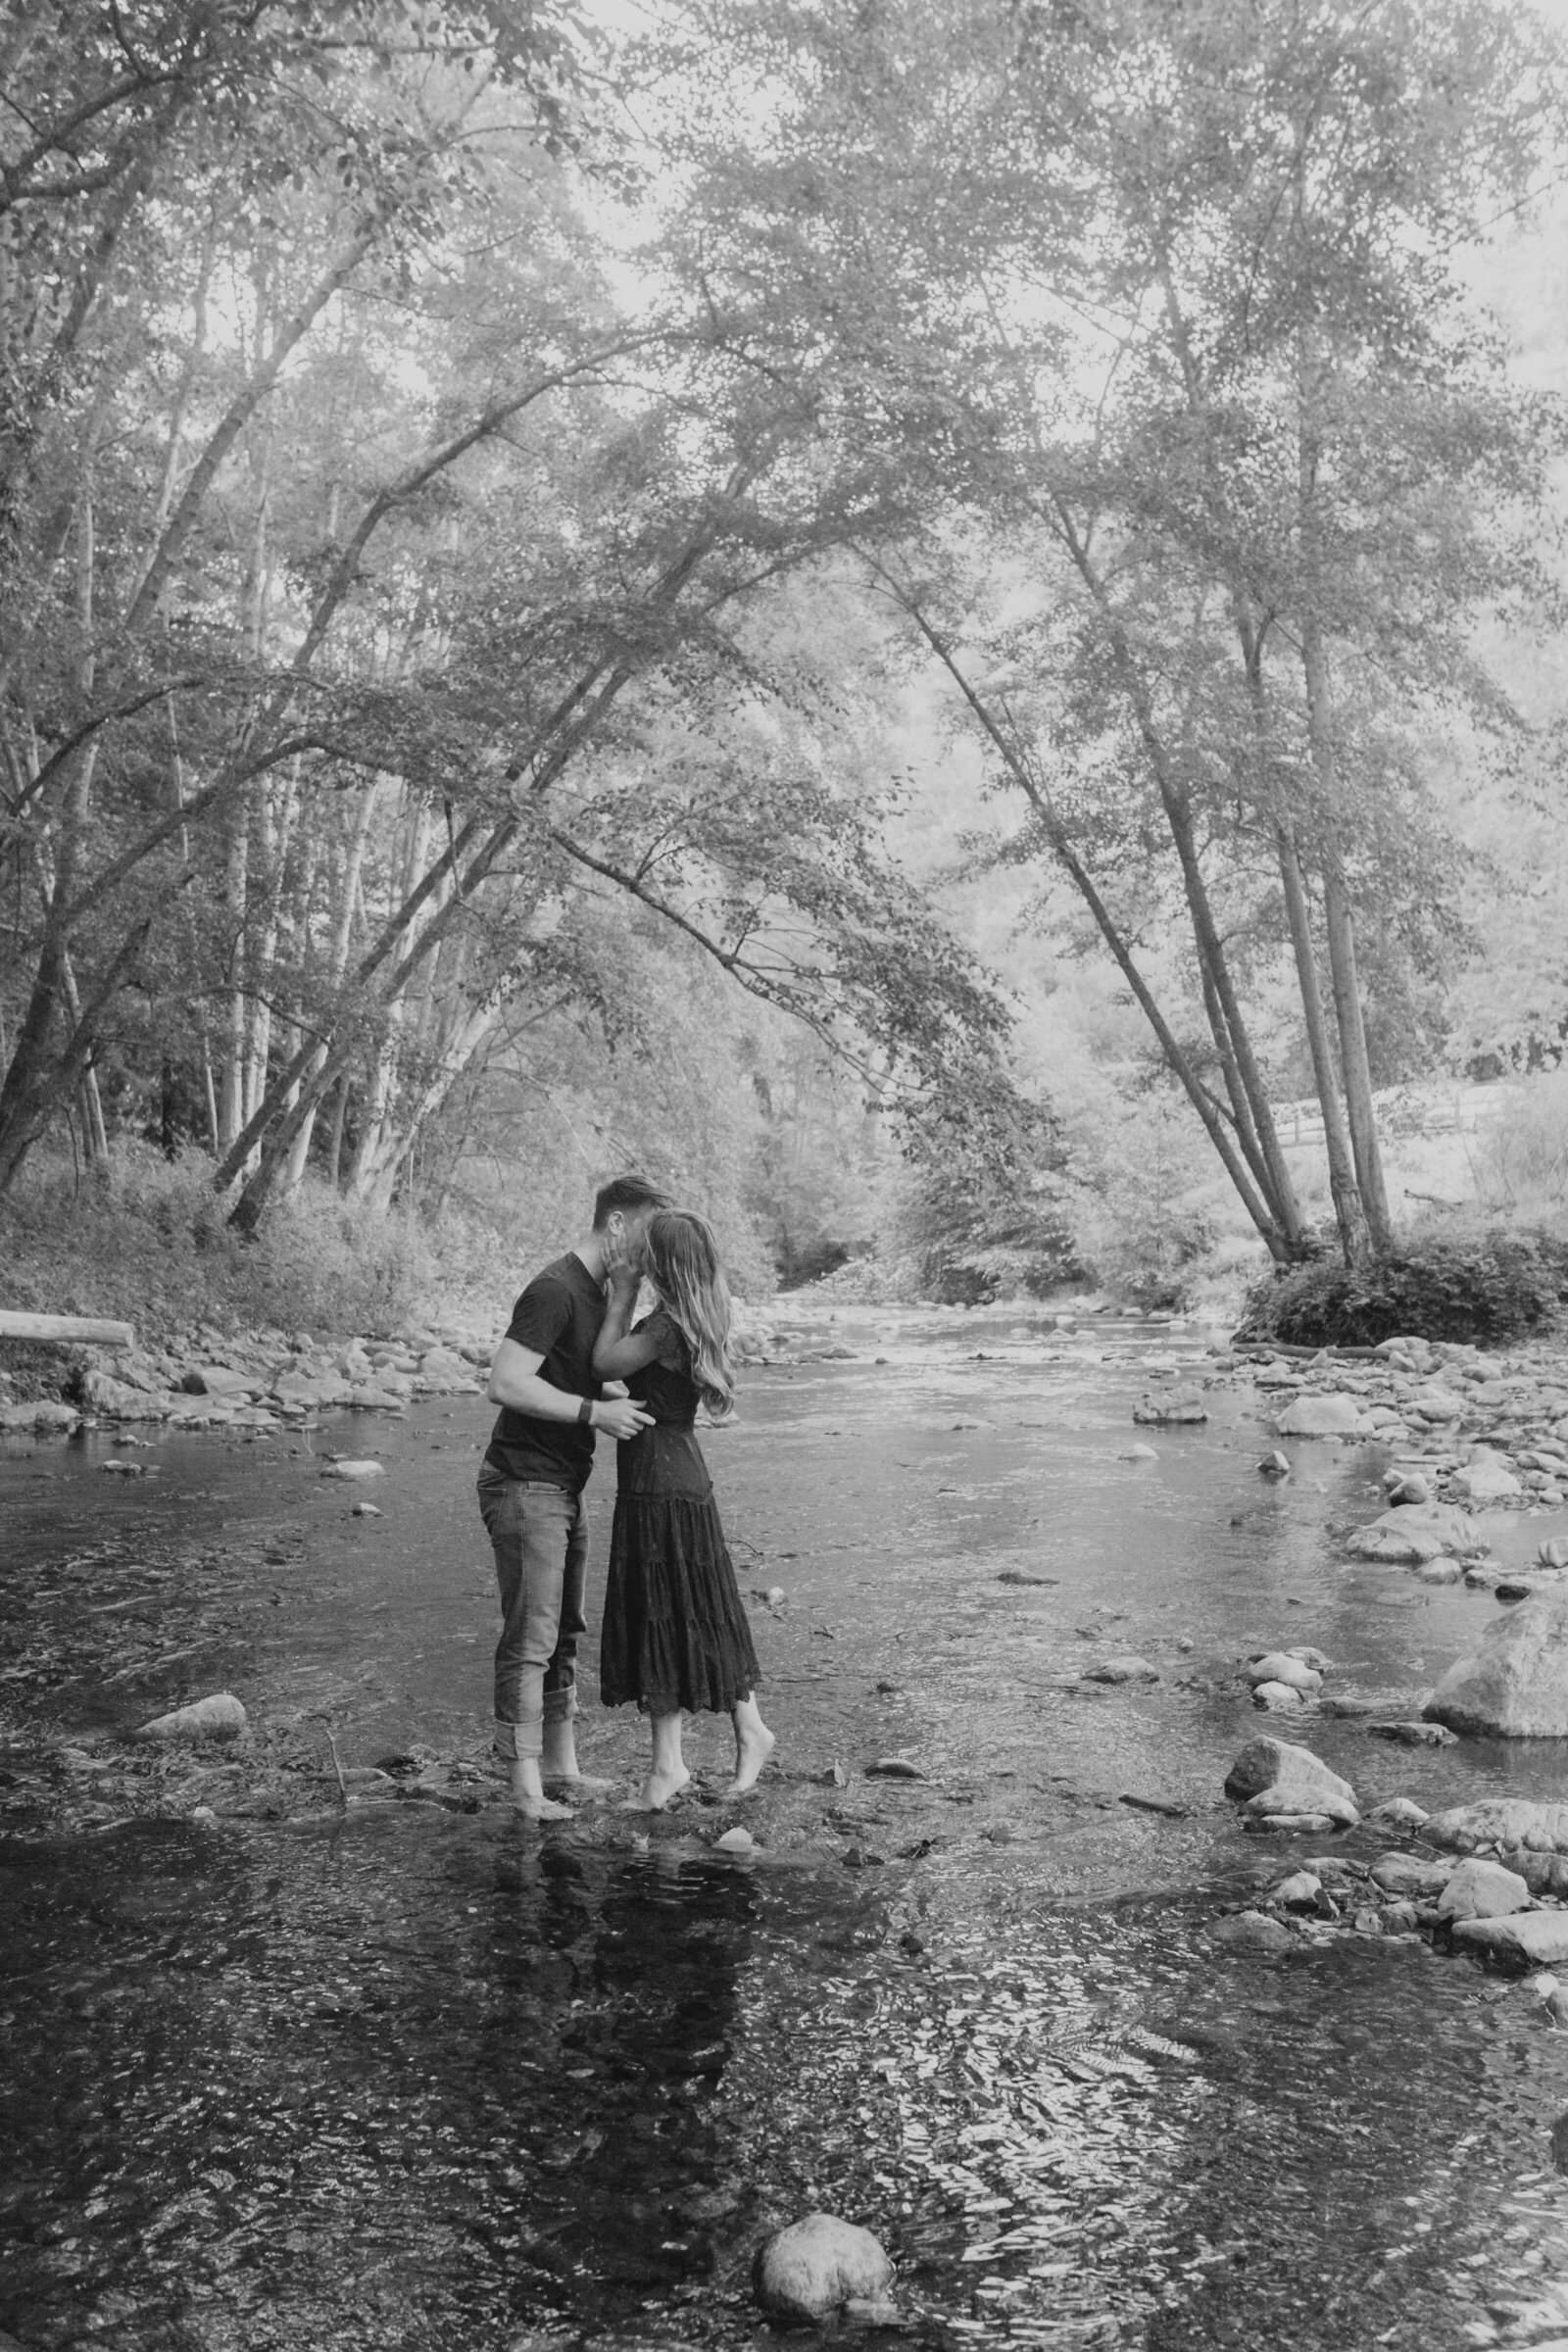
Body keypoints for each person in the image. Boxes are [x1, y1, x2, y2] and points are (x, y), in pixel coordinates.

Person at [479, 1175, 671, 1819]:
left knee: (563, 1632)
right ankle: (527, 1791)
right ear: (616, 1225)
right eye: (649, 1233)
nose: (655, 1249)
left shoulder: (597, 1293)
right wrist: (593, 1411)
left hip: (560, 1483)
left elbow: (574, 1371)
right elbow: (505, 1383)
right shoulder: (555, 1290)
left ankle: (561, 1771)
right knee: (531, 1636)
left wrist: (613, 1396)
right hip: (522, 1483)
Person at [593, 1208, 774, 1810]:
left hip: (659, 1482)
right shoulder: (698, 1313)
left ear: (662, 1264)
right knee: (693, 1608)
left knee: (664, 1612)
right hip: (680, 1471)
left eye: (644, 1251)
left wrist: (620, 1290)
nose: (636, 1256)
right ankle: (743, 1734)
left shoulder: (666, 1325)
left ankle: (672, 1767)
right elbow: (650, 1386)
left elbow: (605, 1363)